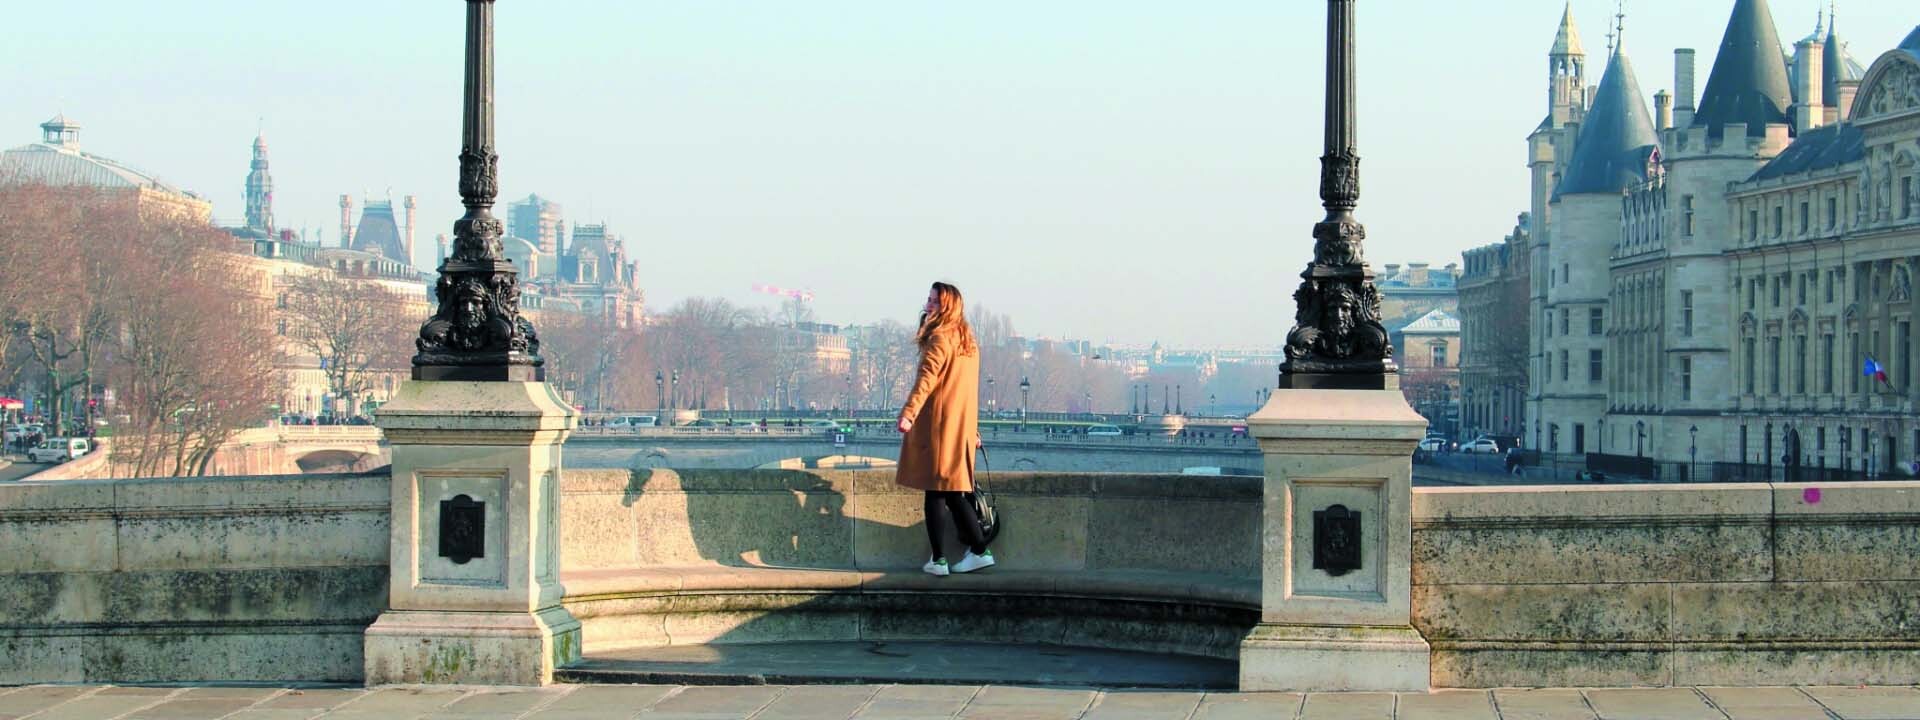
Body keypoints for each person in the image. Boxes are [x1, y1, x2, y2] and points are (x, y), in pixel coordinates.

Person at [896, 282, 994, 577]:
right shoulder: (968, 342)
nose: (928, 306)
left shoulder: (939, 338)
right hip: (959, 426)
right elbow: (968, 393)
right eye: (928, 300)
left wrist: (908, 413)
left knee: (937, 493)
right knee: (953, 492)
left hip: (938, 427)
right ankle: (978, 551)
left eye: (934, 302)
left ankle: (941, 559)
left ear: (947, 307)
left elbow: (926, 380)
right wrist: (972, 428)